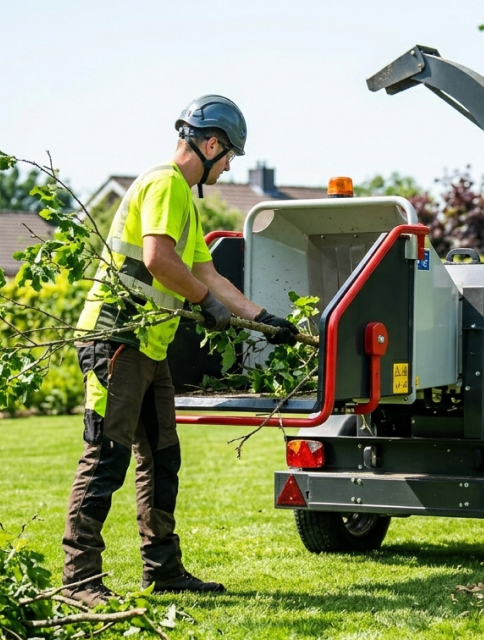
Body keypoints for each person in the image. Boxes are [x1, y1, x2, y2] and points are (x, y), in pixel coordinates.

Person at [62, 95, 298, 607]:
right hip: (116, 340)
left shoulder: (186, 198)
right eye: (230, 154)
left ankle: (163, 570)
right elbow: (158, 259)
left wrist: (262, 320)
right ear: (210, 144)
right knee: (106, 458)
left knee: (162, 458)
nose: (231, 163)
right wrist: (204, 302)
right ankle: (78, 582)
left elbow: (206, 272)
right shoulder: (166, 182)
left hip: (149, 344)